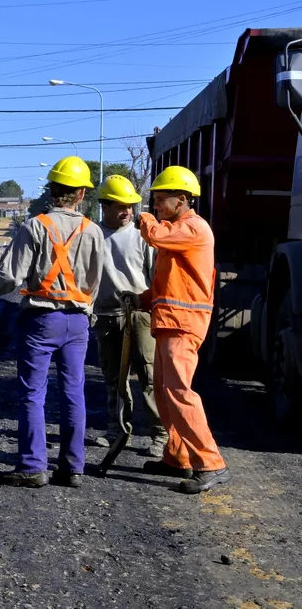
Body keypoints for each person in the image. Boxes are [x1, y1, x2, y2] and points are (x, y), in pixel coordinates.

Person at [0, 156, 104, 488]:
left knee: (33, 393)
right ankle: (73, 467)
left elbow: (10, 275)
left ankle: (33, 466)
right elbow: (95, 282)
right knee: (74, 392)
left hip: (42, 320)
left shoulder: (36, 226)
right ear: (80, 194)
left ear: (52, 190)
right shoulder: (93, 231)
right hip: (78, 322)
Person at [138, 166, 229, 494]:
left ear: (182, 199)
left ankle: (211, 462)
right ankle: (178, 457)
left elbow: (154, 234)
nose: (157, 205)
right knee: (165, 393)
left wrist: (141, 214)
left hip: (183, 323)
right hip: (170, 320)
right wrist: (143, 298)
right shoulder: (179, 231)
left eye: (161, 199)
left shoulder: (192, 228)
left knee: (179, 392)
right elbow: (171, 280)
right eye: (155, 200)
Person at [92, 175, 167, 457]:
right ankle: (117, 429)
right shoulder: (92, 235)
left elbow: (156, 277)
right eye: (121, 206)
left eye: (130, 206)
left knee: (150, 376)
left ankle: (160, 435)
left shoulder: (142, 236)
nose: (128, 211)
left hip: (140, 315)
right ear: (105, 206)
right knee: (114, 377)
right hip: (106, 316)